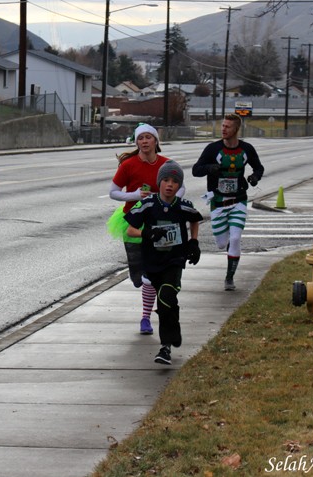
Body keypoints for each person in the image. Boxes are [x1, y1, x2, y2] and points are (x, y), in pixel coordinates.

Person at [107, 124, 186, 336]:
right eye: (140, 138)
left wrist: (168, 200)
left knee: (151, 275)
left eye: (148, 137)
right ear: (136, 142)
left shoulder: (166, 164)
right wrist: (134, 195)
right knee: (137, 277)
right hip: (133, 222)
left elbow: (182, 187)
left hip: (159, 223)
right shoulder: (128, 165)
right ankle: (149, 295)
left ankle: (145, 318)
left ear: (155, 141)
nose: (144, 141)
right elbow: (113, 193)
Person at [124, 160, 202, 365]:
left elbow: (195, 219)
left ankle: (165, 347)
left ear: (179, 186)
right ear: (159, 182)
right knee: (167, 302)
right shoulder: (148, 204)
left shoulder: (184, 206)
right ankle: (173, 332)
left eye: (175, 181)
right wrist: (147, 233)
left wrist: (194, 242)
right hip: (152, 262)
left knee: (166, 296)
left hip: (174, 261)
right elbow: (130, 229)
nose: (170, 185)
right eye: (166, 180)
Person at [192, 113, 264, 291]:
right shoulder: (212, 149)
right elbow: (195, 170)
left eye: (227, 126)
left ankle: (229, 278)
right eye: (223, 126)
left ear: (236, 129)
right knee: (222, 243)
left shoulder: (247, 149)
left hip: (238, 200)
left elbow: (259, 167)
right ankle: (229, 245)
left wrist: (255, 177)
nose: (223, 129)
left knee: (236, 238)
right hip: (217, 202)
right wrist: (210, 168)